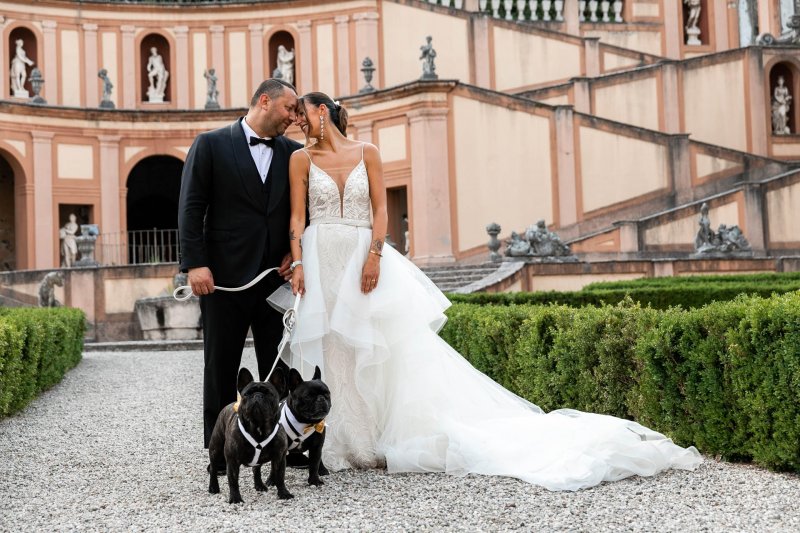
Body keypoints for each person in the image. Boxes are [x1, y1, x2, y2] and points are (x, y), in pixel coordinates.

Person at [282, 92, 702, 490]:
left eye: (301, 114)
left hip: (363, 258)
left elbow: (379, 209)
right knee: (334, 347)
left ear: (321, 111)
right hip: (322, 260)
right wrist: (299, 263)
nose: (297, 123)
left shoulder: (367, 152)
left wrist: (374, 255)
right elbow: (297, 219)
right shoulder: (300, 159)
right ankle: (336, 442)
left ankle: (375, 437)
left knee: (379, 345)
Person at [178, 78, 301, 449]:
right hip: (221, 280)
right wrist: (195, 264)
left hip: (274, 282)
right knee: (220, 367)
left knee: (279, 367)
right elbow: (190, 206)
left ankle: (281, 444)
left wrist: (294, 255)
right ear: (265, 101)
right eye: (289, 109)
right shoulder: (211, 144)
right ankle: (220, 448)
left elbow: (302, 212)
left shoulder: (294, 153)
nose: (294, 118)